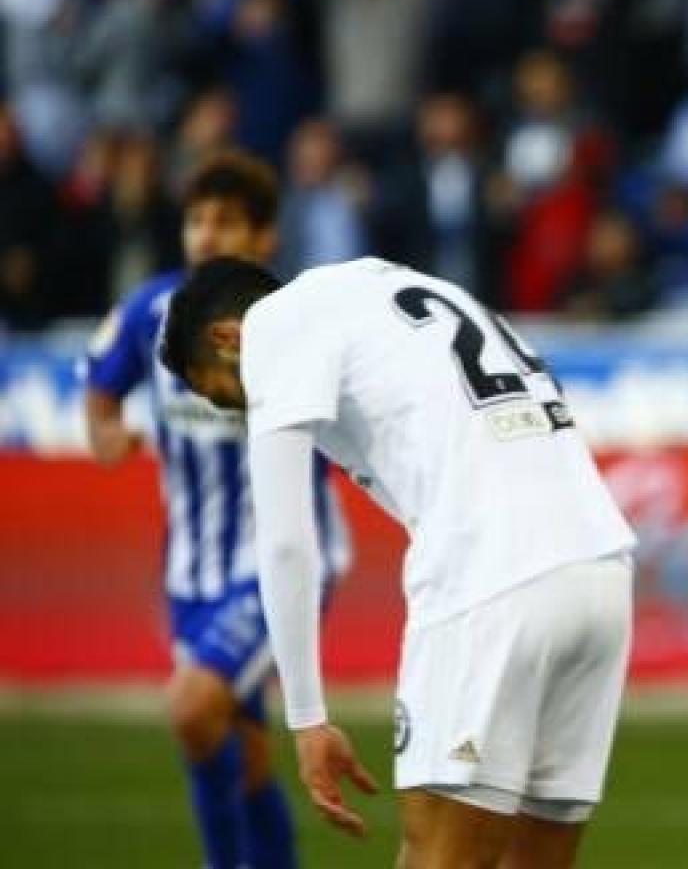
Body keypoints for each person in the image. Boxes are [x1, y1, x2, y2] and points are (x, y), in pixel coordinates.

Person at [158, 256, 635, 867]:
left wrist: (307, 718)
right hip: (600, 570)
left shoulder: (273, 324)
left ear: (227, 338)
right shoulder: (398, 285)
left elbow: (283, 540)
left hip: (489, 577)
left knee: (436, 854)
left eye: (222, 394)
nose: (239, 410)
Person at [82, 151, 351, 869]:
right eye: (196, 220)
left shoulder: (294, 320)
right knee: (245, 751)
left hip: (284, 555)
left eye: (226, 221)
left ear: (265, 237)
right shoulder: (149, 313)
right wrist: (107, 434)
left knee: (191, 708)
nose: (205, 235)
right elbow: (99, 389)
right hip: (192, 573)